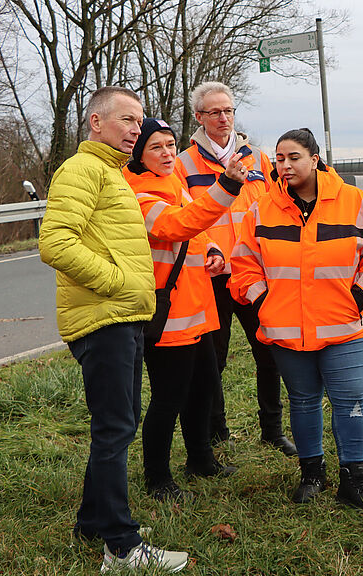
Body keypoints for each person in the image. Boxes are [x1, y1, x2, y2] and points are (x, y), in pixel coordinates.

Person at [39, 88, 188, 573]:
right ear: (95, 122)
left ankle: (95, 522)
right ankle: (121, 547)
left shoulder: (112, 173)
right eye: (126, 119)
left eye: (138, 121)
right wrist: (118, 283)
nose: (135, 129)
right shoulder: (82, 170)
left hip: (119, 318)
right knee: (116, 427)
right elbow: (56, 243)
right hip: (105, 317)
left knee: (118, 424)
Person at [230, 129, 363, 512]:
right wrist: (263, 300)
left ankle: (354, 482)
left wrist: (358, 295)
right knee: (302, 403)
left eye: (294, 158)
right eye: (279, 159)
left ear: (315, 159)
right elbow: (243, 265)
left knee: (350, 403)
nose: (284, 166)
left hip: (343, 328)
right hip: (285, 329)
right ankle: (311, 474)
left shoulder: (357, 203)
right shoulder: (260, 209)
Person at [123, 118, 248, 501]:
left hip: (197, 310)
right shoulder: (139, 193)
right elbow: (178, 225)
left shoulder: (174, 183)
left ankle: (201, 460)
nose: (166, 153)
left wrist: (212, 247)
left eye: (170, 144)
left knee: (203, 389)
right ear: (139, 154)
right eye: (156, 147)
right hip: (169, 317)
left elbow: (198, 227)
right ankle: (157, 479)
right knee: (168, 398)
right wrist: (226, 185)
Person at [175, 81, 295, 454]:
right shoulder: (183, 164)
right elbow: (183, 218)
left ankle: (272, 430)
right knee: (213, 359)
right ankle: (215, 430)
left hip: (253, 272)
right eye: (215, 112)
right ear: (199, 117)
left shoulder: (257, 158)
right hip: (210, 275)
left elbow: (277, 205)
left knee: (270, 351)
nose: (223, 118)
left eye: (228, 110)